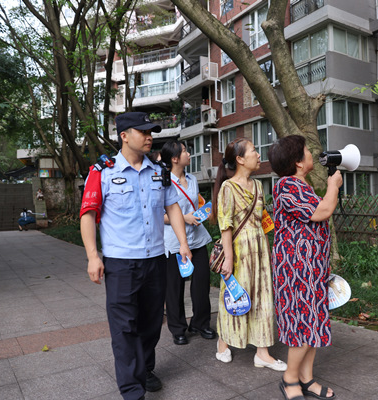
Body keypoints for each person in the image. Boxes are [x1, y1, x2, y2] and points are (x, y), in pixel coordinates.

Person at [80, 112, 192, 400]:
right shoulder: (102, 172)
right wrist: (94, 256)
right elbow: (88, 214)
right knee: (124, 327)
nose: (149, 136)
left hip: (156, 259)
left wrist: (182, 243)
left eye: (151, 132)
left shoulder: (158, 171)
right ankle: (132, 390)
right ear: (124, 136)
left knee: (152, 323)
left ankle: (144, 368)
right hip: (121, 264)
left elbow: (173, 208)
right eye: (142, 131)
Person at [268, 135, 342, 400]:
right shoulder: (288, 185)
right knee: (303, 324)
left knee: (312, 323)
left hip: (310, 267)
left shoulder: (299, 184)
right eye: (308, 150)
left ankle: (306, 378)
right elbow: (322, 211)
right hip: (297, 269)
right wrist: (333, 185)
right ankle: (289, 379)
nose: (313, 154)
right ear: (298, 162)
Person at [210, 137, 286, 371]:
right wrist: (229, 259)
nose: (258, 154)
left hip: (259, 249)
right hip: (239, 251)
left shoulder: (259, 185)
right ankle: (223, 343)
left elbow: (263, 221)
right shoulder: (227, 187)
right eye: (254, 151)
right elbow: (225, 225)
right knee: (236, 298)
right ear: (240, 159)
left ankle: (262, 353)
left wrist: (270, 247)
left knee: (263, 298)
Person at [161, 140, 215, 346]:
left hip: (197, 238)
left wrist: (203, 213)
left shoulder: (192, 179)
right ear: (174, 158)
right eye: (184, 151)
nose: (189, 154)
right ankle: (178, 328)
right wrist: (184, 218)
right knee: (174, 287)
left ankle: (200, 323)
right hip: (174, 242)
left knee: (201, 282)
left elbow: (196, 202)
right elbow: (159, 216)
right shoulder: (164, 182)